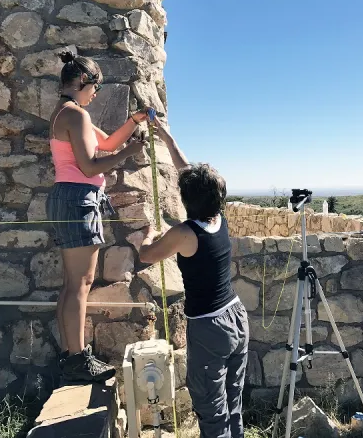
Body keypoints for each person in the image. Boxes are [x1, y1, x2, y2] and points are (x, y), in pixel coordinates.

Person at [138, 120, 249, 438]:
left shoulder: (185, 233)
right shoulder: (219, 220)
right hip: (236, 316)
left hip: (209, 327)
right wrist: (167, 138)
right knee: (233, 400)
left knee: (212, 409)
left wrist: (148, 232)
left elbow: (147, 255)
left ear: (187, 197)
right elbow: (187, 170)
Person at [46, 51, 147, 383]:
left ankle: (69, 355)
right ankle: (77, 360)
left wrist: (133, 121)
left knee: (72, 284)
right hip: (79, 199)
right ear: (82, 82)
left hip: (68, 198)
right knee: (81, 283)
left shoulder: (69, 114)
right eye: (95, 87)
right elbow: (91, 165)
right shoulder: (75, 116)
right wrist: (128, 154)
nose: (96, 94)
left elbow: (105, 143)